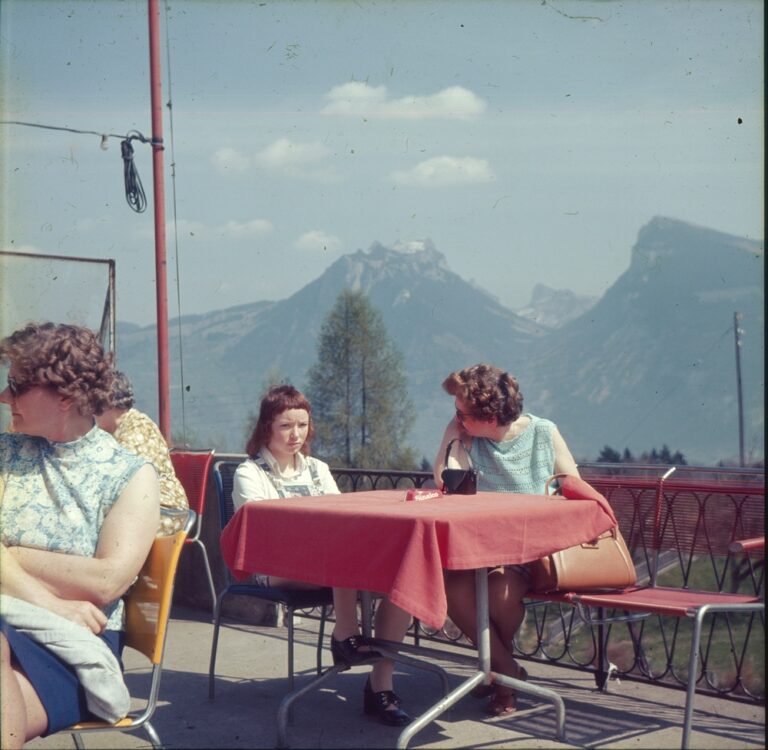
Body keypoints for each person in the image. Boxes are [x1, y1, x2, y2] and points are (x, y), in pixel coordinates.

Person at [0, 322, 160, 748]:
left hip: (73, 649)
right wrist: (49, 597)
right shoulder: (5, 452)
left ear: (65, 397)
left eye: (16, 386)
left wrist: (8, 553)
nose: (3, 397)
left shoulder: (128, 475)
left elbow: (106, 581)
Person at [233, 384, 412, 725]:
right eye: (285, 426)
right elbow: (264, 532)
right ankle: (345, 634)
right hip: (271, 565)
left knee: (402, 579)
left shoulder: (317, 468)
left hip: (324, 561)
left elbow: (341, 522)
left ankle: (380, 686)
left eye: (301, 425)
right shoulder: (250, 473)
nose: (295, 434)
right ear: (267, 427)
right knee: (341, 557)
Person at [433, 363, 579, 717]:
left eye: (462, 413)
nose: (457, 417)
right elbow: (444, 481)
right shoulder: (468, 435)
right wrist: (452, 436)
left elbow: (573, 485)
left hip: (530, 548)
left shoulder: (544, 433)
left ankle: (496, 674)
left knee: (499, 598)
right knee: (453, 593)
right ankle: (509, 674)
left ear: (490, 415)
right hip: (479, 546)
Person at [96, 371, 189, 536]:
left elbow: (117, 483)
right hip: (148, 508)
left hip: (164, 511)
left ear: (106, 405)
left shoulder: (137, 432)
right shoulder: (127, 426)